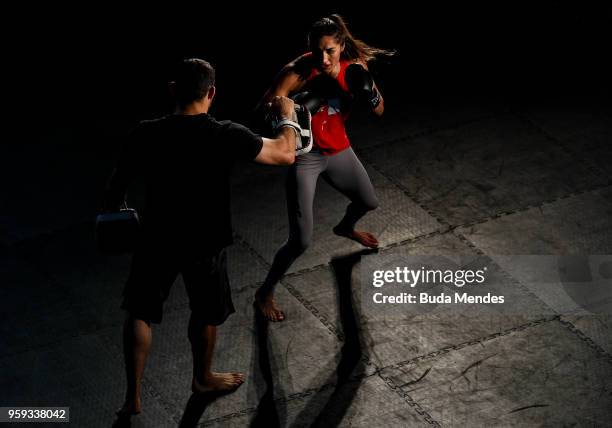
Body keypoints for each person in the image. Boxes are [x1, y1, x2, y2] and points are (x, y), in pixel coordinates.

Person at [103, 58, 298, 417]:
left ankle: (132, 397)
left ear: (173, 89)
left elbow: (115, 188)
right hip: (206, 241)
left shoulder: (145, 132)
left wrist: (118, 211)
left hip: (156, 237)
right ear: (211, 93)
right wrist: (288, 115)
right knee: (206, 311)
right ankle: (202, 378)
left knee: (139, 312)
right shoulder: (224, 133)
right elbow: (285, 153)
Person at [254, 15, 394, 322]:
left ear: (341, 45)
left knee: (369, 202)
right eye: (318, 52)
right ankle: (264, 292)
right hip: (306, 156)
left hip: (338, 149)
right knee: (301, 240)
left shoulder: (355, 68)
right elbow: (264, 110)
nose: (324, 58)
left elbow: (380, 109)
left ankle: (345, 227)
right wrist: (294, 107)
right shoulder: (297, 72)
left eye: (330, 50)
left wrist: (368, 91)